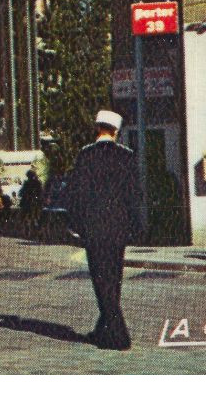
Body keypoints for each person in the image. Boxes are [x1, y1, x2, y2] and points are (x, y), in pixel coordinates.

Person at [60, 110, 145, 351]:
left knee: (100, 278)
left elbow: (75, 194)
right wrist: (136, 225)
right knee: (114, 277)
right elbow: (134, 194)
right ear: (116, 132)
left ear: (97, 128)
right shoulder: (126, 156)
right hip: (118, 226)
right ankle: (103, 329)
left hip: (94, 227)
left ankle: (118, 334)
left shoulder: (85, 155)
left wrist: (75, 225)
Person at [19, 169, 45, 237]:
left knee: (28, 218)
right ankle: (37, 232)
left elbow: (21, 193)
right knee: (36, 218)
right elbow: (41, 193)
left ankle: (29, 231)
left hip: (27, 203)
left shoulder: (26, 183)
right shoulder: (38, 183)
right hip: (35, 203)